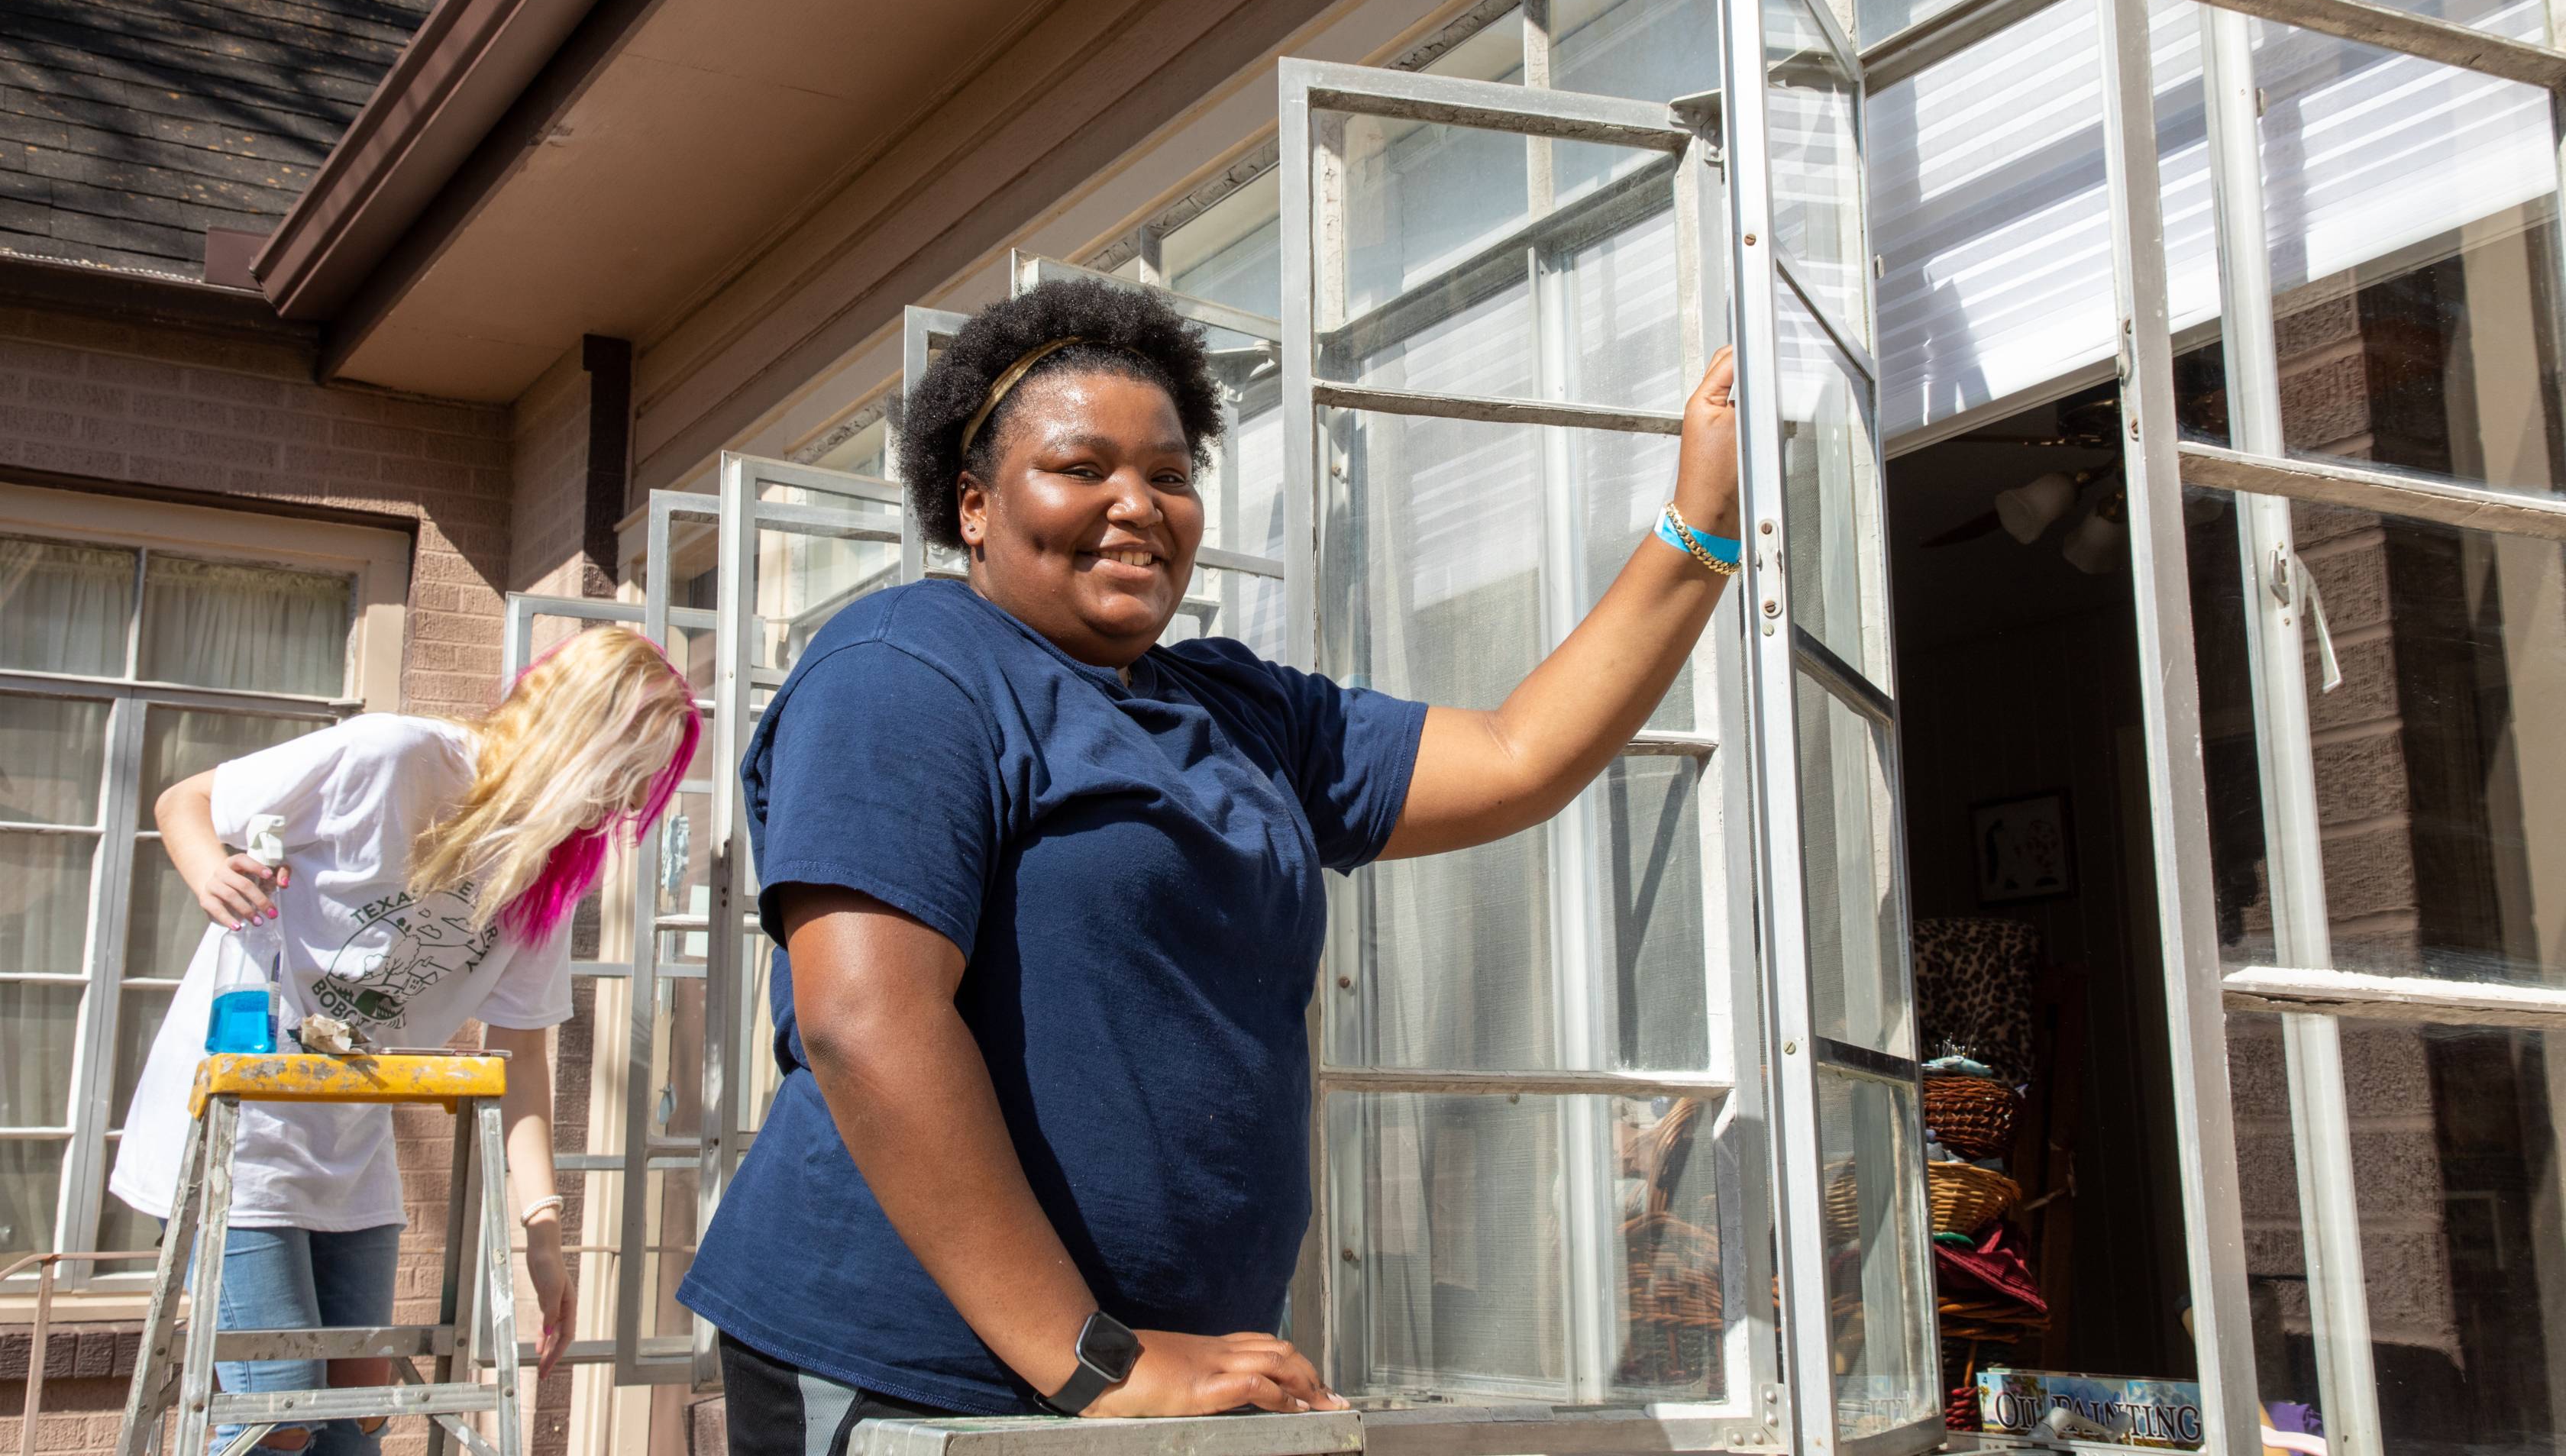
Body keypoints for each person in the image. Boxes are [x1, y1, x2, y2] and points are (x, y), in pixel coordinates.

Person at [677, 276, 1741, 1454]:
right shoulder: (908, 666)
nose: (1137, 503)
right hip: (915, 1370)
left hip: (1161, 1378)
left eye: (1170, 475)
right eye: (1083, 469)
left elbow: (1514, 755)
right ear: (972, 506)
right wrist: (1094, 1359)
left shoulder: (1237, 708)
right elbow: (864, 1016)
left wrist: (1702, 524)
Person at [111, 627, 700, 1456]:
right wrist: (210, 867)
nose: (627, 803)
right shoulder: (391, 755)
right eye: (627, 772)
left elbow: (521, 1055)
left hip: (350, 1145)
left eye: (644, 787)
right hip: (238, 1131)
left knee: (358, 1421)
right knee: (277, 1423)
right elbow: (187, 799)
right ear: (579, 729)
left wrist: (543, 1232)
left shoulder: (545, 871)